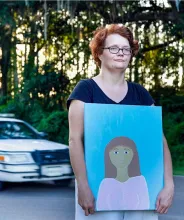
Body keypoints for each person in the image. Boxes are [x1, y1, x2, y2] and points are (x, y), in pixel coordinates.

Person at [67, 24, 174, 220]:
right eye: (113, 48)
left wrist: (169, 184)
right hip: (96, 190)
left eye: (126, 49)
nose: (121, 53)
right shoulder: (85, 90)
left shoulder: (141, 94)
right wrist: (82, 186)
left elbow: (160, 141)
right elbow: (74, 140)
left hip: (142, 196)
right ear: (99, 53)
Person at [96, 136, 150, 211]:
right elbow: (101, 206)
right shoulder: (105, 183)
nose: (121, 156)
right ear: (108, 155)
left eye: (126, 152)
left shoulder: (140, 181)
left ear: (133, 154)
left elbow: (145, 204)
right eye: (116, 152)